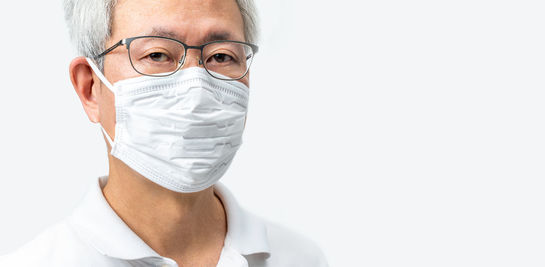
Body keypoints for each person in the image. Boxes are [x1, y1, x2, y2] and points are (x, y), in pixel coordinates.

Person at [0, 0, 328, 266]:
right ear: (90, 88)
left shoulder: (300, 258)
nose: (196, 87)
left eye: (221, 56)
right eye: (156, 54)